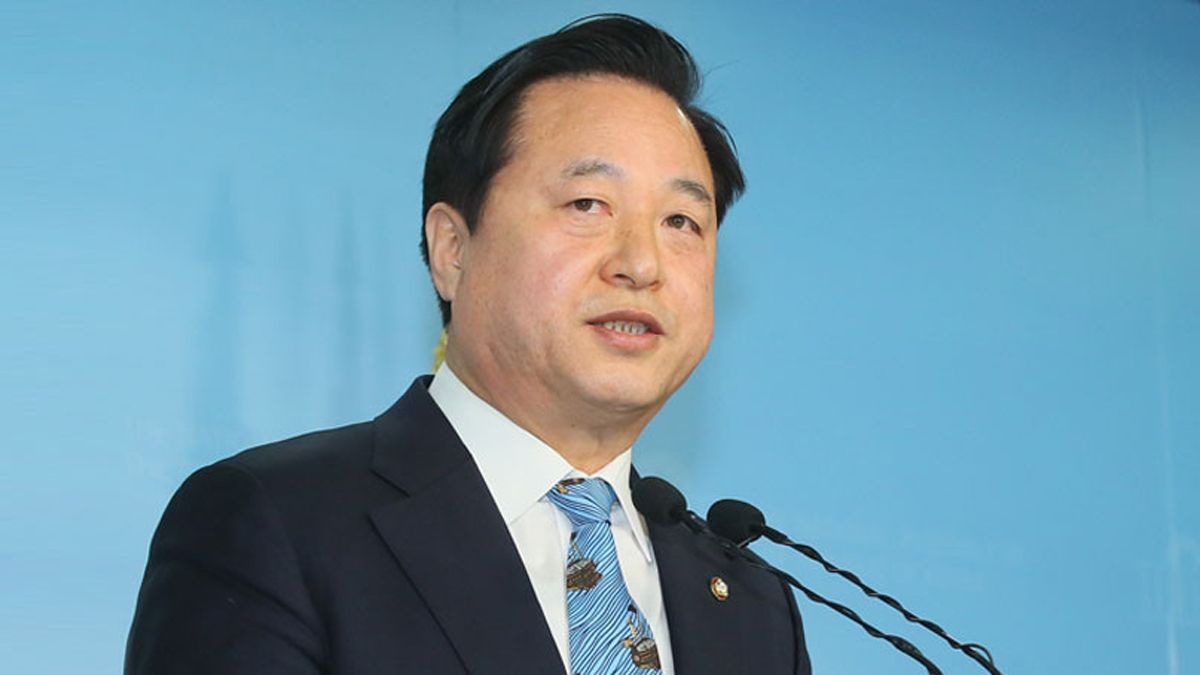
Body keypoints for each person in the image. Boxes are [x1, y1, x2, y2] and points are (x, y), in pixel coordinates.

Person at [126, 14, 812, 675]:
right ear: (452, 249)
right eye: (587, 204)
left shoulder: (753, 606)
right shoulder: (275, 527)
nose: (641, 263)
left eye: (682, 221)